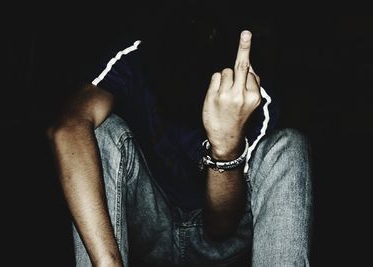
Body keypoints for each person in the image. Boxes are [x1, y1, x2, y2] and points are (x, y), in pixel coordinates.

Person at [48, 13, 313, 267]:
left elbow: (220, 227)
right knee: (100, 130)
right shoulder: (136, 55)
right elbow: (68, 129)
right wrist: (108, 263)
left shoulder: (249, 95)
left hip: (220, 237)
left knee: (289, 145)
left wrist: (226, 147)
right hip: (151, 221)